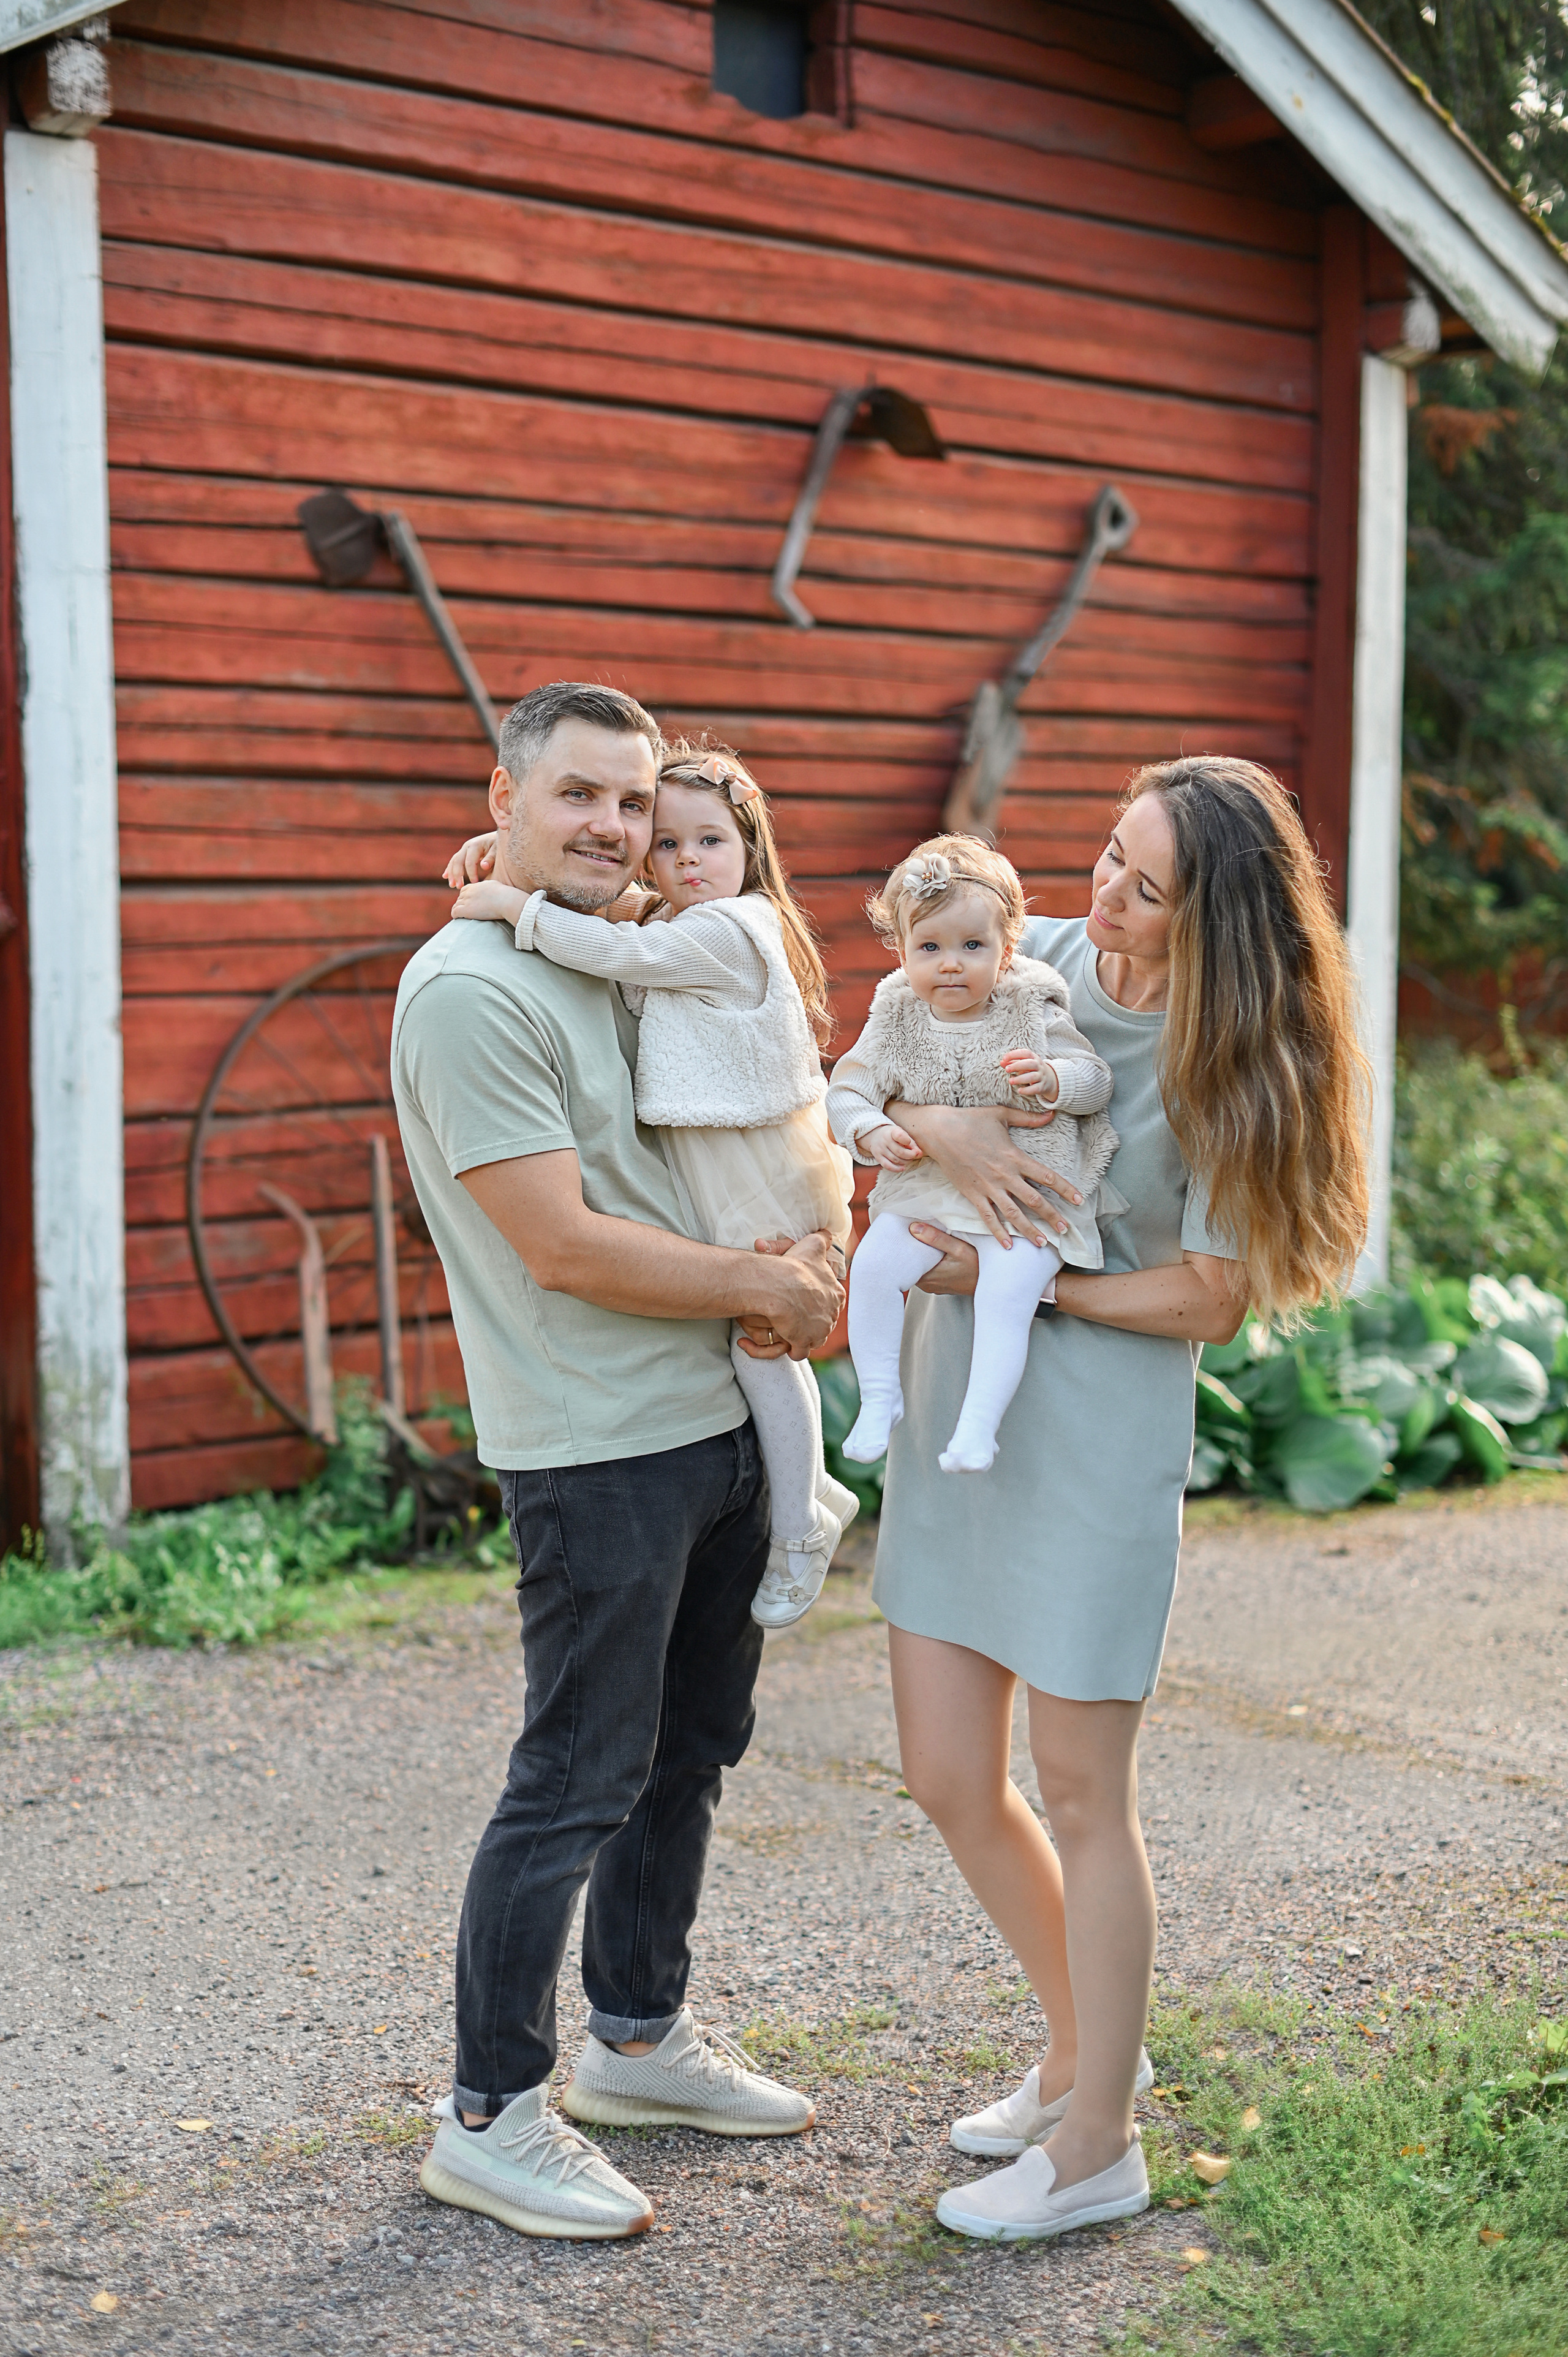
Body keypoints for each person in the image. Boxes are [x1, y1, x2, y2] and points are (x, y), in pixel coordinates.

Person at [825, 757, 1369, 2242]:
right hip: (952, 1414)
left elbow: (1205, 1298)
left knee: (1080, 1792)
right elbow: (888, 1055)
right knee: (944, 1770)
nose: (1098, 897)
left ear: (1219, 926)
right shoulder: (1029, 959)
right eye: (1106, 855)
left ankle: (1096, 2140)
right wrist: (947, 1141)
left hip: (1088, 1442)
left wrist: (1034, 1278)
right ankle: (1073, 2053)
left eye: (1142, 885)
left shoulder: (1235, 1061)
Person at [391, 683, 843, 2244]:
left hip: (714, 1413)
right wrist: (771, 1287)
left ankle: (636, 2039)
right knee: (575, 1774)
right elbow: (562, 1243)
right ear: (506, 791)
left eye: (631, 800)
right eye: (574, 793)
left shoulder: (597, 944)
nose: (609, 824)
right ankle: (489, 2113)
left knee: (688, 1747)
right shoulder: (466, 989)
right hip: (594, 1442)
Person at [442, 739, 858, 1628]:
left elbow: (616, 952)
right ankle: (812, 1493)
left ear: (750, 849)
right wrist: (504, 853)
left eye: (708, 842)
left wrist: (514, 900)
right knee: (758, 1336)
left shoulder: (731, 927)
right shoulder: (680, 917)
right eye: (666, 845)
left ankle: (804, 1520)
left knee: (761, 1342)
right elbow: (622, 911)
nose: (682, 862)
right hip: (726, 1155)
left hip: (755, 1159)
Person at [829, 835, 1120, 1476]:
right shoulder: (896, 1015)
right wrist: (872, 1132)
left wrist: (1052, 1078)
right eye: (929, 948)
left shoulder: (1029, 1007)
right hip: (929, 1192)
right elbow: (848, 1089)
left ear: (1006, 950)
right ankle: (878, 1397)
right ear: (902, 953)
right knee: (874, 1265)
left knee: (1007, 1293)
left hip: (1022, 1198)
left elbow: (1095, 1079)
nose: (951, 965)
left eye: (972, 946)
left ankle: (977, 1425)